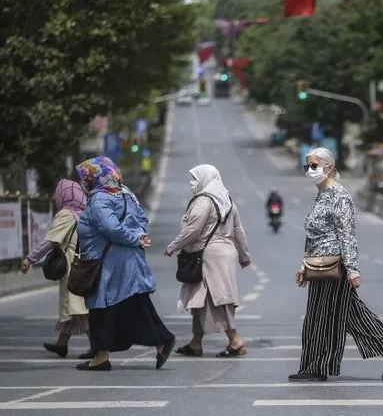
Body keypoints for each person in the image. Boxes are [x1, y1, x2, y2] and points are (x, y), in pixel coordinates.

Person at [290, 147, 383, 382]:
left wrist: (352, 268)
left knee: (327, 315)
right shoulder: (322, 195)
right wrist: (304, 267)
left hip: (335, 264)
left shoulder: (339, 195)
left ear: (329, 168)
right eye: (307, 167)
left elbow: (347, 234)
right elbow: (313, 237)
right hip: (318, 264)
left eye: (314, 166)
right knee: (338, 312)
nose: (309, 171)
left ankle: (318, 366)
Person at [75, 156, 176, 371]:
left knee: (104, 308)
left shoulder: (100, 200)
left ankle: (101, 356)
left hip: (109, 264)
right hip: (127, 261)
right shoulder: (126, 195)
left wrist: (132, 238)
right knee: (133, 305)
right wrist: (138, 236)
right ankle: (160, 341)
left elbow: (110, 227)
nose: (84, 182)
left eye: (86, 177)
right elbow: (141, 221)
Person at [164, 165, 252, 357]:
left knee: (218, 300)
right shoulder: (226, 201)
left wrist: (173, 246)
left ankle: (235, 341)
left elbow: (193, 230)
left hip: (210, 257)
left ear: (206, 179)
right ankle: (196, 344)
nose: (192, 183)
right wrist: (243, 256)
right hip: (225, 255)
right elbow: (239, 231)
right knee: (201, 300)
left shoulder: (204, 201)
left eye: (195, 178)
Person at [20, 179, 94, 359]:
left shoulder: (66, 215)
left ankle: (99, 347)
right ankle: (62, 344)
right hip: (83, 266)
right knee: (72, 308)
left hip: (71, 270)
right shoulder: (84, 214)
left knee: (79, 309)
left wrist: (30, 259)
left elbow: (50, 241)